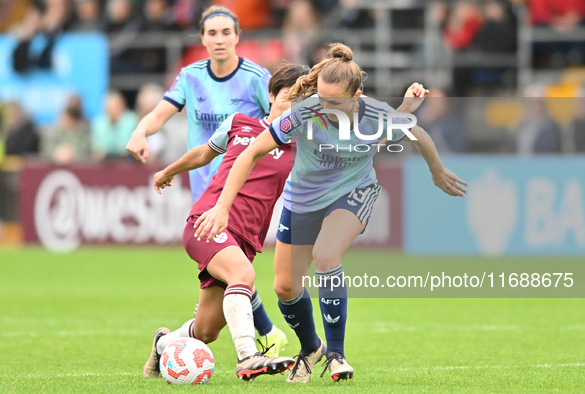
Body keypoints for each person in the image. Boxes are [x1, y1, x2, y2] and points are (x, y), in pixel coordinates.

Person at [193, 43, 468, 383]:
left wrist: (436, 171)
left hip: (353, 194)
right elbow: (251, 153)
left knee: (326, 256)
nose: (323, 107)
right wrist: (222, 206)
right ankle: (311, 349)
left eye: (334, 102)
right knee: (284, 287)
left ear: (357, 97)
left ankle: (337, 354)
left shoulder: (376, 116)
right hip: (303, 201)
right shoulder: (304, 112)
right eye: (321, 99)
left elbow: (419, 134)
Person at [126, 5, 286, 354]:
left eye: (226, 33)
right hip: (207, 196)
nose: (219, 40)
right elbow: (161, 113)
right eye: (211, 33)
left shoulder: (258, 79)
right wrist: (140, 131)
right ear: (201, 38)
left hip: (243, 195)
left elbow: (277, 123)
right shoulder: (191, 76)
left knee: (218, 305)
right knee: (237, 272)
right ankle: (259, 344)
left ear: (238, 37)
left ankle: (172, 343)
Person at [143, 63, 311, 381]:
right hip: (208, 222)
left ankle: (162, 343)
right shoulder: (240, 123)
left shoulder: (301, 146)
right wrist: (169, 171)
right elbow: (204, 154)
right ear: (272, 96)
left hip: (244, 239)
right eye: (290, 96)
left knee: (206, 331)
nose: (295, 107)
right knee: (244, 274)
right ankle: (248, 357)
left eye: (304, 101)